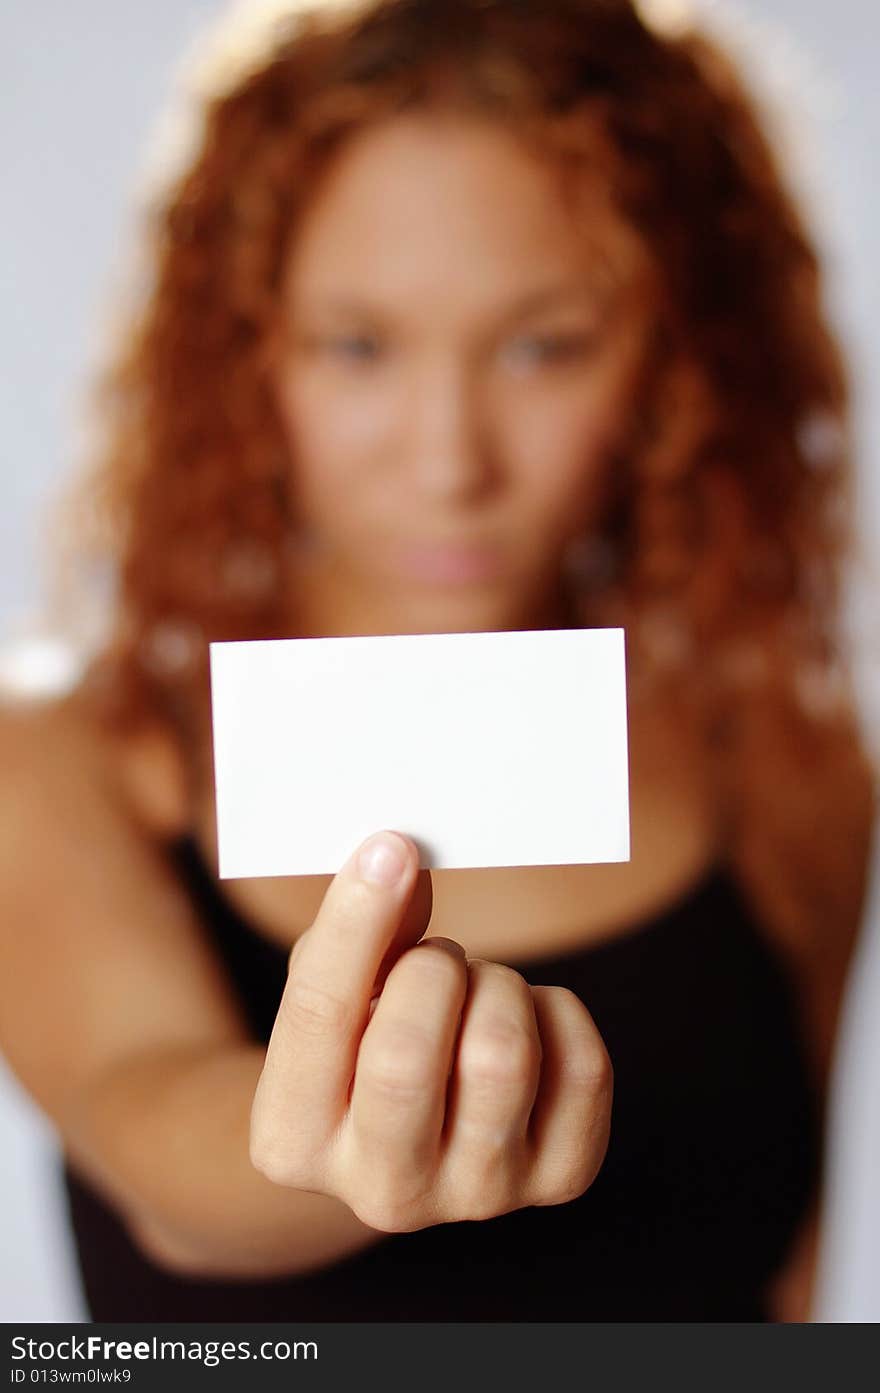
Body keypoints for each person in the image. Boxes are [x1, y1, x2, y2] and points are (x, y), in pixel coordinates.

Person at [0, 0, 874, 1322]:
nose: (450, 460)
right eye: (358, 345)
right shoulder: (70, 752)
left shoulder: (784, 756)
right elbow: (156, 1138)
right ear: (247, 356)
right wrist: (341, 1147)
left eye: (546, 345)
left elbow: (790, 1279)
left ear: (680, 361)